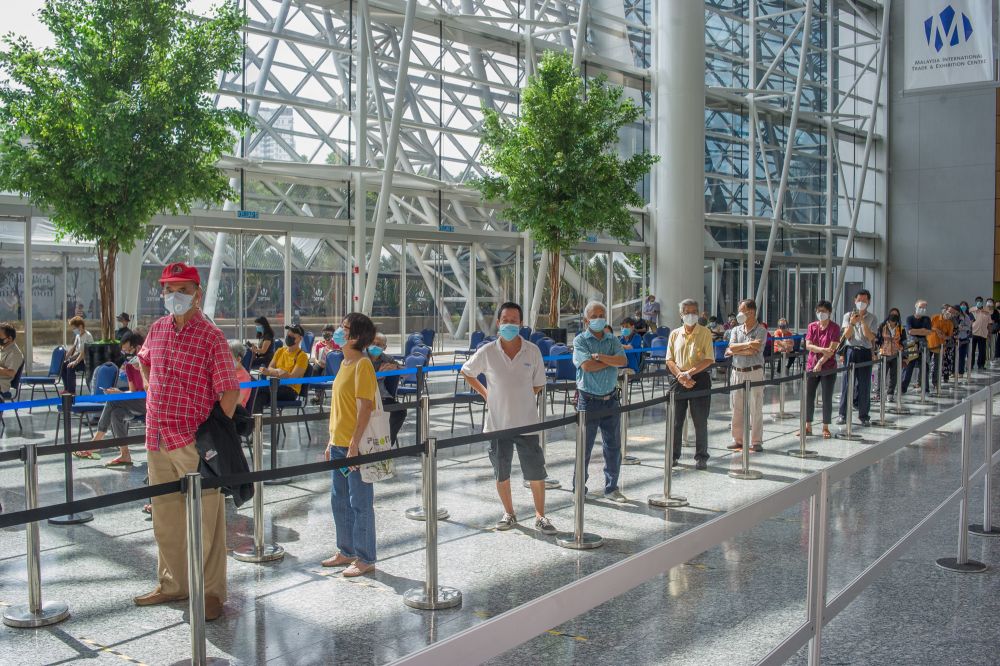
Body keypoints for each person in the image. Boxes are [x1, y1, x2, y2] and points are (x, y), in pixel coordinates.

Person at [134, 262, 240, 622]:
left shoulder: (211, 336)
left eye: (182, 289)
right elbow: (144, 359)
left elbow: (229, 391)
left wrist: (212, 435)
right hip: (157, 436)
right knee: (165, 517)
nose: (174, 295)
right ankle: (173, 583)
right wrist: (150, 387)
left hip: (191, 440)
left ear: (197, 293)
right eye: (168, 289)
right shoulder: (158, 328)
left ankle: (210, 592)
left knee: (205, 521)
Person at [461, 302, 558, 534]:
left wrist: (520, 397)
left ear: (521, 323)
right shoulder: (488, 351)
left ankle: (540, 515)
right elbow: (466, 371)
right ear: (498, 323)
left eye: (514, 320)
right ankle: (509, 513)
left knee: (535, 472)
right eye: (505, 320)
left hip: (527, 422)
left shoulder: (532, 351)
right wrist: (486, 394)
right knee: (501, 471)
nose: (509, 324)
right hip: (497, 424)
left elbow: (538, 384)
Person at [321, 313, 378, 577]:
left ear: (356, 336)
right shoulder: (344, 363)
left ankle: (365, 557)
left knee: (360, 502)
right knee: (340, 500)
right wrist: (332, 440)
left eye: (344, 328)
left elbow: (366, 407)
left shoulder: (362, 365)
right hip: (339, 445)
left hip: (355, 447)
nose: (338, 331)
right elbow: (340, 409)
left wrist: (354, 444)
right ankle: (346, 550)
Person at [572, 301, 628, 501]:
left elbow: (622, 361)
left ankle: (612, 488)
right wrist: (609, 361)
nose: (598, 319)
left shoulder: (612, 340)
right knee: (584, 448)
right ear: (586, 320)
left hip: (610, 399)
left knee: (613, 447)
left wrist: (600, 357)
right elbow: (587, 366)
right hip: (588, 401)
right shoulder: (580, 340)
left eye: (601, 315)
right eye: (594, 316)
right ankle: (579, 489)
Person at [74, 331, 147, 464]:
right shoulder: (129, 367)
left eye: (128, 350)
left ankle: (95, 443)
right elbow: (133, 391)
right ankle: (125, 454)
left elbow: (149, 390)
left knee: (113, 402)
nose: (126, 354)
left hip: (150, 404)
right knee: (116, 413)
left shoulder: (149, 364)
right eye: (124, 351)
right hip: (136, 403)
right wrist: (119, 392)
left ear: (138, 348)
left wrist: (141, 368)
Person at [666, 299, 715, 469]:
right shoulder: (674, 334)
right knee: (675, 421)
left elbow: (708, 359)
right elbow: (669, 359)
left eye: (694, 312)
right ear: (681, 315)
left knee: (700, 421)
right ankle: (673, 455)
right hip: (678, 378)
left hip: (699, 379)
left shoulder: (705, 332)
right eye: (687, 312)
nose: (691, 315)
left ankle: (701, 456)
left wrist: (689, 373)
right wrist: (681, 375)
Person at [725, 299, 767, 453]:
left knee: (755, 407)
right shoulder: (736, 330)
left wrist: (737, 349)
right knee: (736, 407)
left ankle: (756, 441)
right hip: (737, 372)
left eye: (742, 310)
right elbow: (731, 347)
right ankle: (738, 439)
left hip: (754, 372)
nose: (739, 313)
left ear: (752, 312)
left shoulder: (761, 330)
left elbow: (755, 350)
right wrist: (748, 345)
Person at [800, 301, 841, 439]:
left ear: (829, 312)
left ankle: (825, 426)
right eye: (818, 311)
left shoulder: (835, 328)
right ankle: (807, 425)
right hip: (811, 365)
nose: (821, 313)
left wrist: (820, 362)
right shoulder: (812, 326)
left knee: (826, 397)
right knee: (808, 396)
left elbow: (832, 349)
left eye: (824, 311)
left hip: (828, 367)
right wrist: (822, 350)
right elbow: (808, 345)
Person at [837, 290, 877, 428]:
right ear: (855, 301)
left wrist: (862, 320)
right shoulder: (847, 316)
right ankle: (842, 414)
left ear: (869, 302)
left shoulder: (872, 318)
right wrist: (853, 323)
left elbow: (870, 337)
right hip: (851, 350)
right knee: (847, 383)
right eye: (859, 300)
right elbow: (847, 336)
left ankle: (864, 415)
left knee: (864, 384)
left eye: (864, 301)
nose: (861, 303)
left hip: (865, 351)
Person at [252, 325, 308, 413]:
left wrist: (273, 372)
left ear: (300, 338)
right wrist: (279, 372)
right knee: (259, 397)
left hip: (290, 390)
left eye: (292, 335)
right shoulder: (280, 351)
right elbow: (270, 368)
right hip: (275, 385)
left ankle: (252, 421)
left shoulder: (302, 356)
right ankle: (257, 421)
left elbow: (291, 378)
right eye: (288, 333)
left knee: (257, 389)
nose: (289, 335)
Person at [369, 333, 406, 447]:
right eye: (373, 343)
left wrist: (396, 368)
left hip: (383, 397)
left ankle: (387, 443)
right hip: (366, 396)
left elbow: (406, 373)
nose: (375, 346)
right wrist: (378, 375)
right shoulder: (362, 358)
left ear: (384, 347)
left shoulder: (387, 359)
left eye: (378, 345)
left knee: (400, 411)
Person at [902, 300, 933, 393]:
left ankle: (925, 388)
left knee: (925, 366)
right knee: (909, 366)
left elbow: (929, 332)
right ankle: (903, 388)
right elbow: (910, 331)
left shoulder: (927, 319)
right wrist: (922, 330)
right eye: (920, 307)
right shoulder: (910, 318)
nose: (922, 309)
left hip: (924, 344)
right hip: (912, 343)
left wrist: (918, 331)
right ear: (916, 307)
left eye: (924, 307)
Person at [61, 316, 93, 395]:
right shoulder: (78, 336)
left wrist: (75, 362)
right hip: (79, 358)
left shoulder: (87, 336)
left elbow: (83, 352)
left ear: (80, 326)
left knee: (70, 366)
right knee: (63, 365)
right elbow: (73, 347)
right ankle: (66, 388)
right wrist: (66, 357)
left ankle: (71, 391)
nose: (73, 330)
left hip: (85, 361)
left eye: (74, 328)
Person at [877, 308, 903, 400]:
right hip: (884, 354)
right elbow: (878, 339)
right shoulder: (882, 326)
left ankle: (890, 393)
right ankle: (879, 392)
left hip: (896, 354)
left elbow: (903, 340)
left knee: (894, 375)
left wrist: (903, 352)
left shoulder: (900, 327)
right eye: (892, 314)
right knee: (882, 374)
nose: (894, 316)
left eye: (896, 314)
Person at [927, 305, 955, 387]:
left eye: (952, 313)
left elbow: (949, 336)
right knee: (925, 364)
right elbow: (927, 327)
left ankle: (935, 382)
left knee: (937, 365)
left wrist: (944, 336)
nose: (949, 313)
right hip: (929, 344)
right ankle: (921, 382)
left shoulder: (950, 323)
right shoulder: (935, 317)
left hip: (940, 347)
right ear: (944, 310)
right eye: (949, 311)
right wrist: (936, 330)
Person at [0, 322, 24, 399]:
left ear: (9, 338)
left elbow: (11, 373)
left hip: (2, 387)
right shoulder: (3, 349)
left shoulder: (14, 353)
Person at [229, 341, 253, 408]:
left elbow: (237, 401)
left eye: (229, 357)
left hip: (234, 410)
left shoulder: (244, 377)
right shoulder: (230, 371)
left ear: (238, 359)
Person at [970, 298, 991, 370]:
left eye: (980, 301)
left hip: (983, 333)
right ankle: (970, 365)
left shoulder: (987, 311)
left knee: (982, 351)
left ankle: (981, 365)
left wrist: (989, 333)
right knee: (971, 351)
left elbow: (989, 323)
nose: (979, 302)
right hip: (973, 333)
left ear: (982, 302)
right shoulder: (971, 310)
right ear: (975, 302)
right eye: (978, 301)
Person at [954, 301, 973, 378]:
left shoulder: (966, 316)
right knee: (954, 357)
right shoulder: (953, 317)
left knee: (961, 357)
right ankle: (953, 372)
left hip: (963, 338)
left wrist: (962, 328)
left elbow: (969, 327)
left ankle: (961, 372)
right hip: (954, 339)